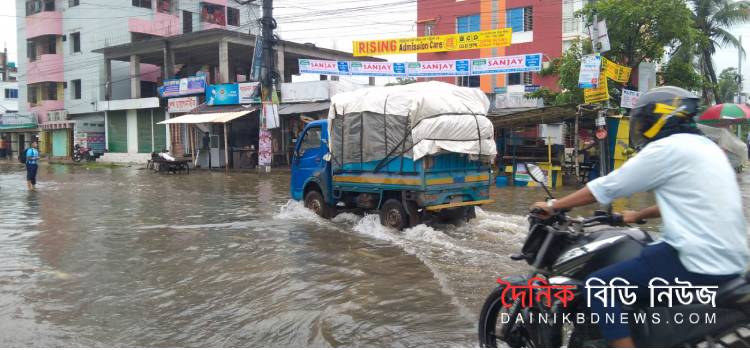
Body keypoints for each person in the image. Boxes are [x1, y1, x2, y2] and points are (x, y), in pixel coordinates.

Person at [531, 86, 749, 347]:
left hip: (697, 257)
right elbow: (691, 200)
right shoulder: (706, 148)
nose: (641, 128)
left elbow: (605, 187)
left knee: (600, 286)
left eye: (644, 121)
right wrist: (634, 215)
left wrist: (553, 205)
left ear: (661, 118)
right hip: (733, 256)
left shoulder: (666, 149)